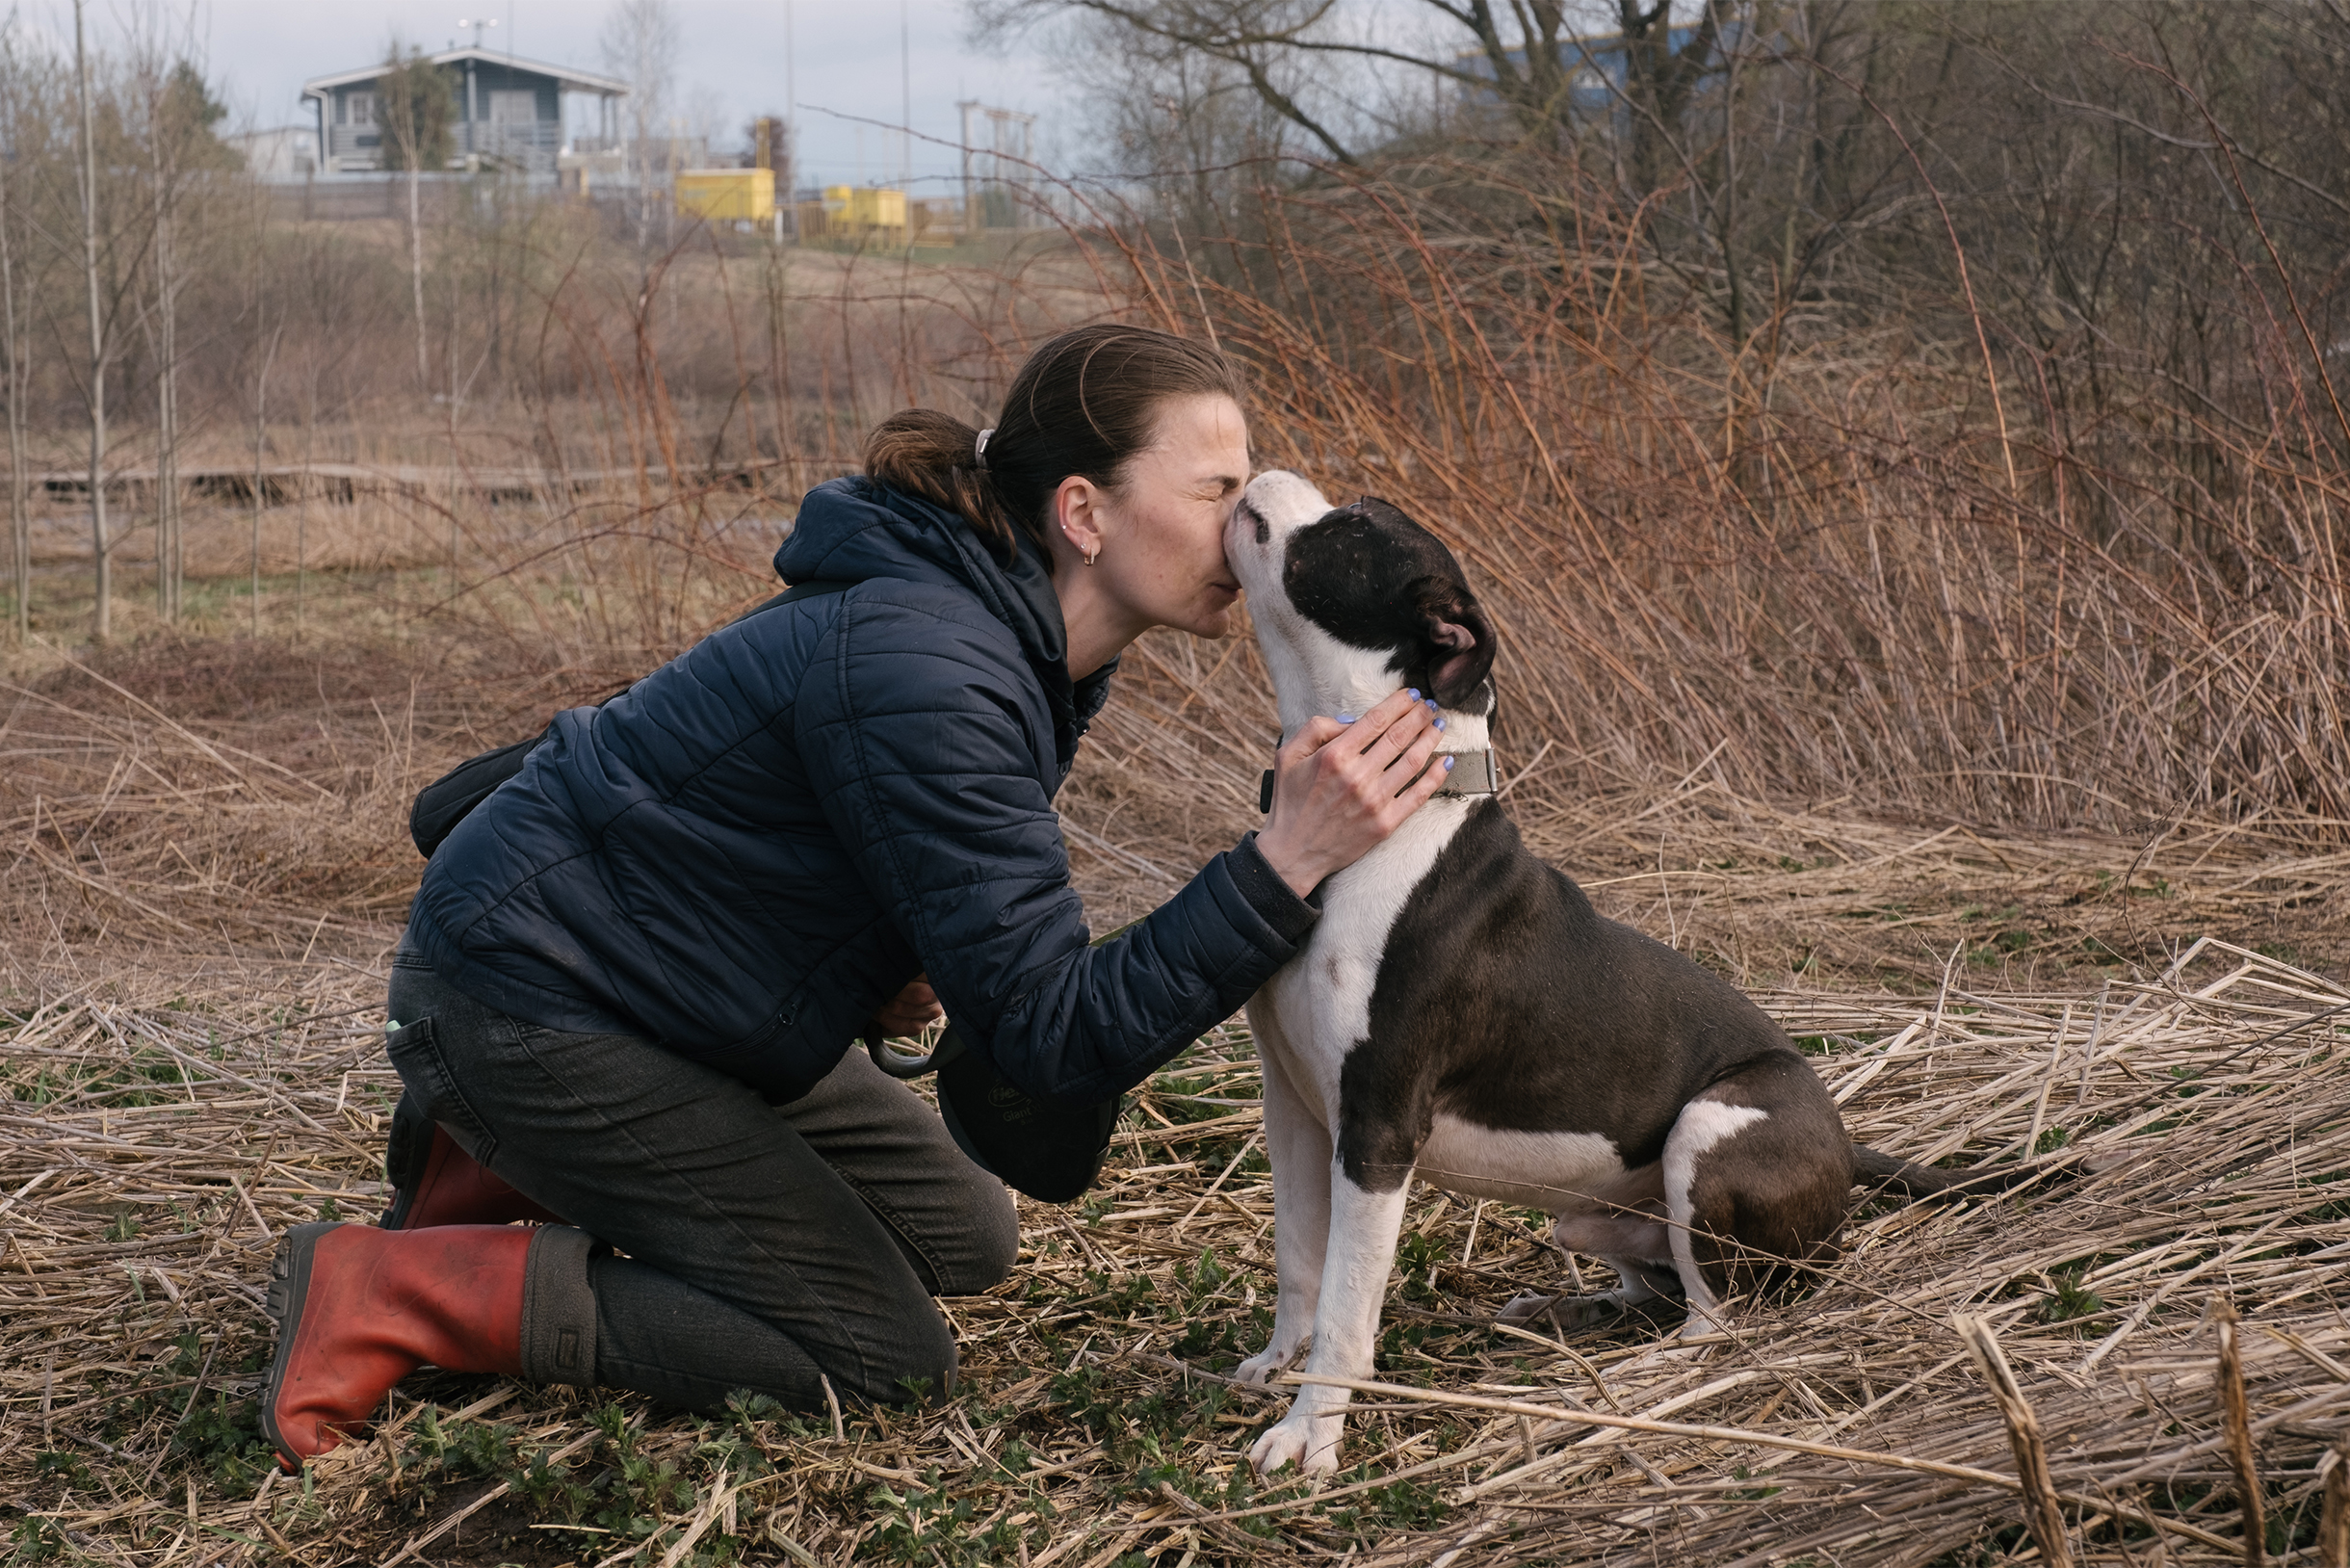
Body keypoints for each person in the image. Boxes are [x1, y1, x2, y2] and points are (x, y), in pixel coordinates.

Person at [258, 325, 1451, 1465]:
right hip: (528, 996)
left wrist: (879, 952)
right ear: (1083, 512)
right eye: (1213, 487)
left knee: (966, 1236)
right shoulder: (935, 663)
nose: (1245, 518)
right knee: (876, 1355)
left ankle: (501, 1172)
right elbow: (1048, 1037)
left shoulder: (1010, 639)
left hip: (671, 989)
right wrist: (1282, 863)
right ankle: (395, 1288)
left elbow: (813, 833)